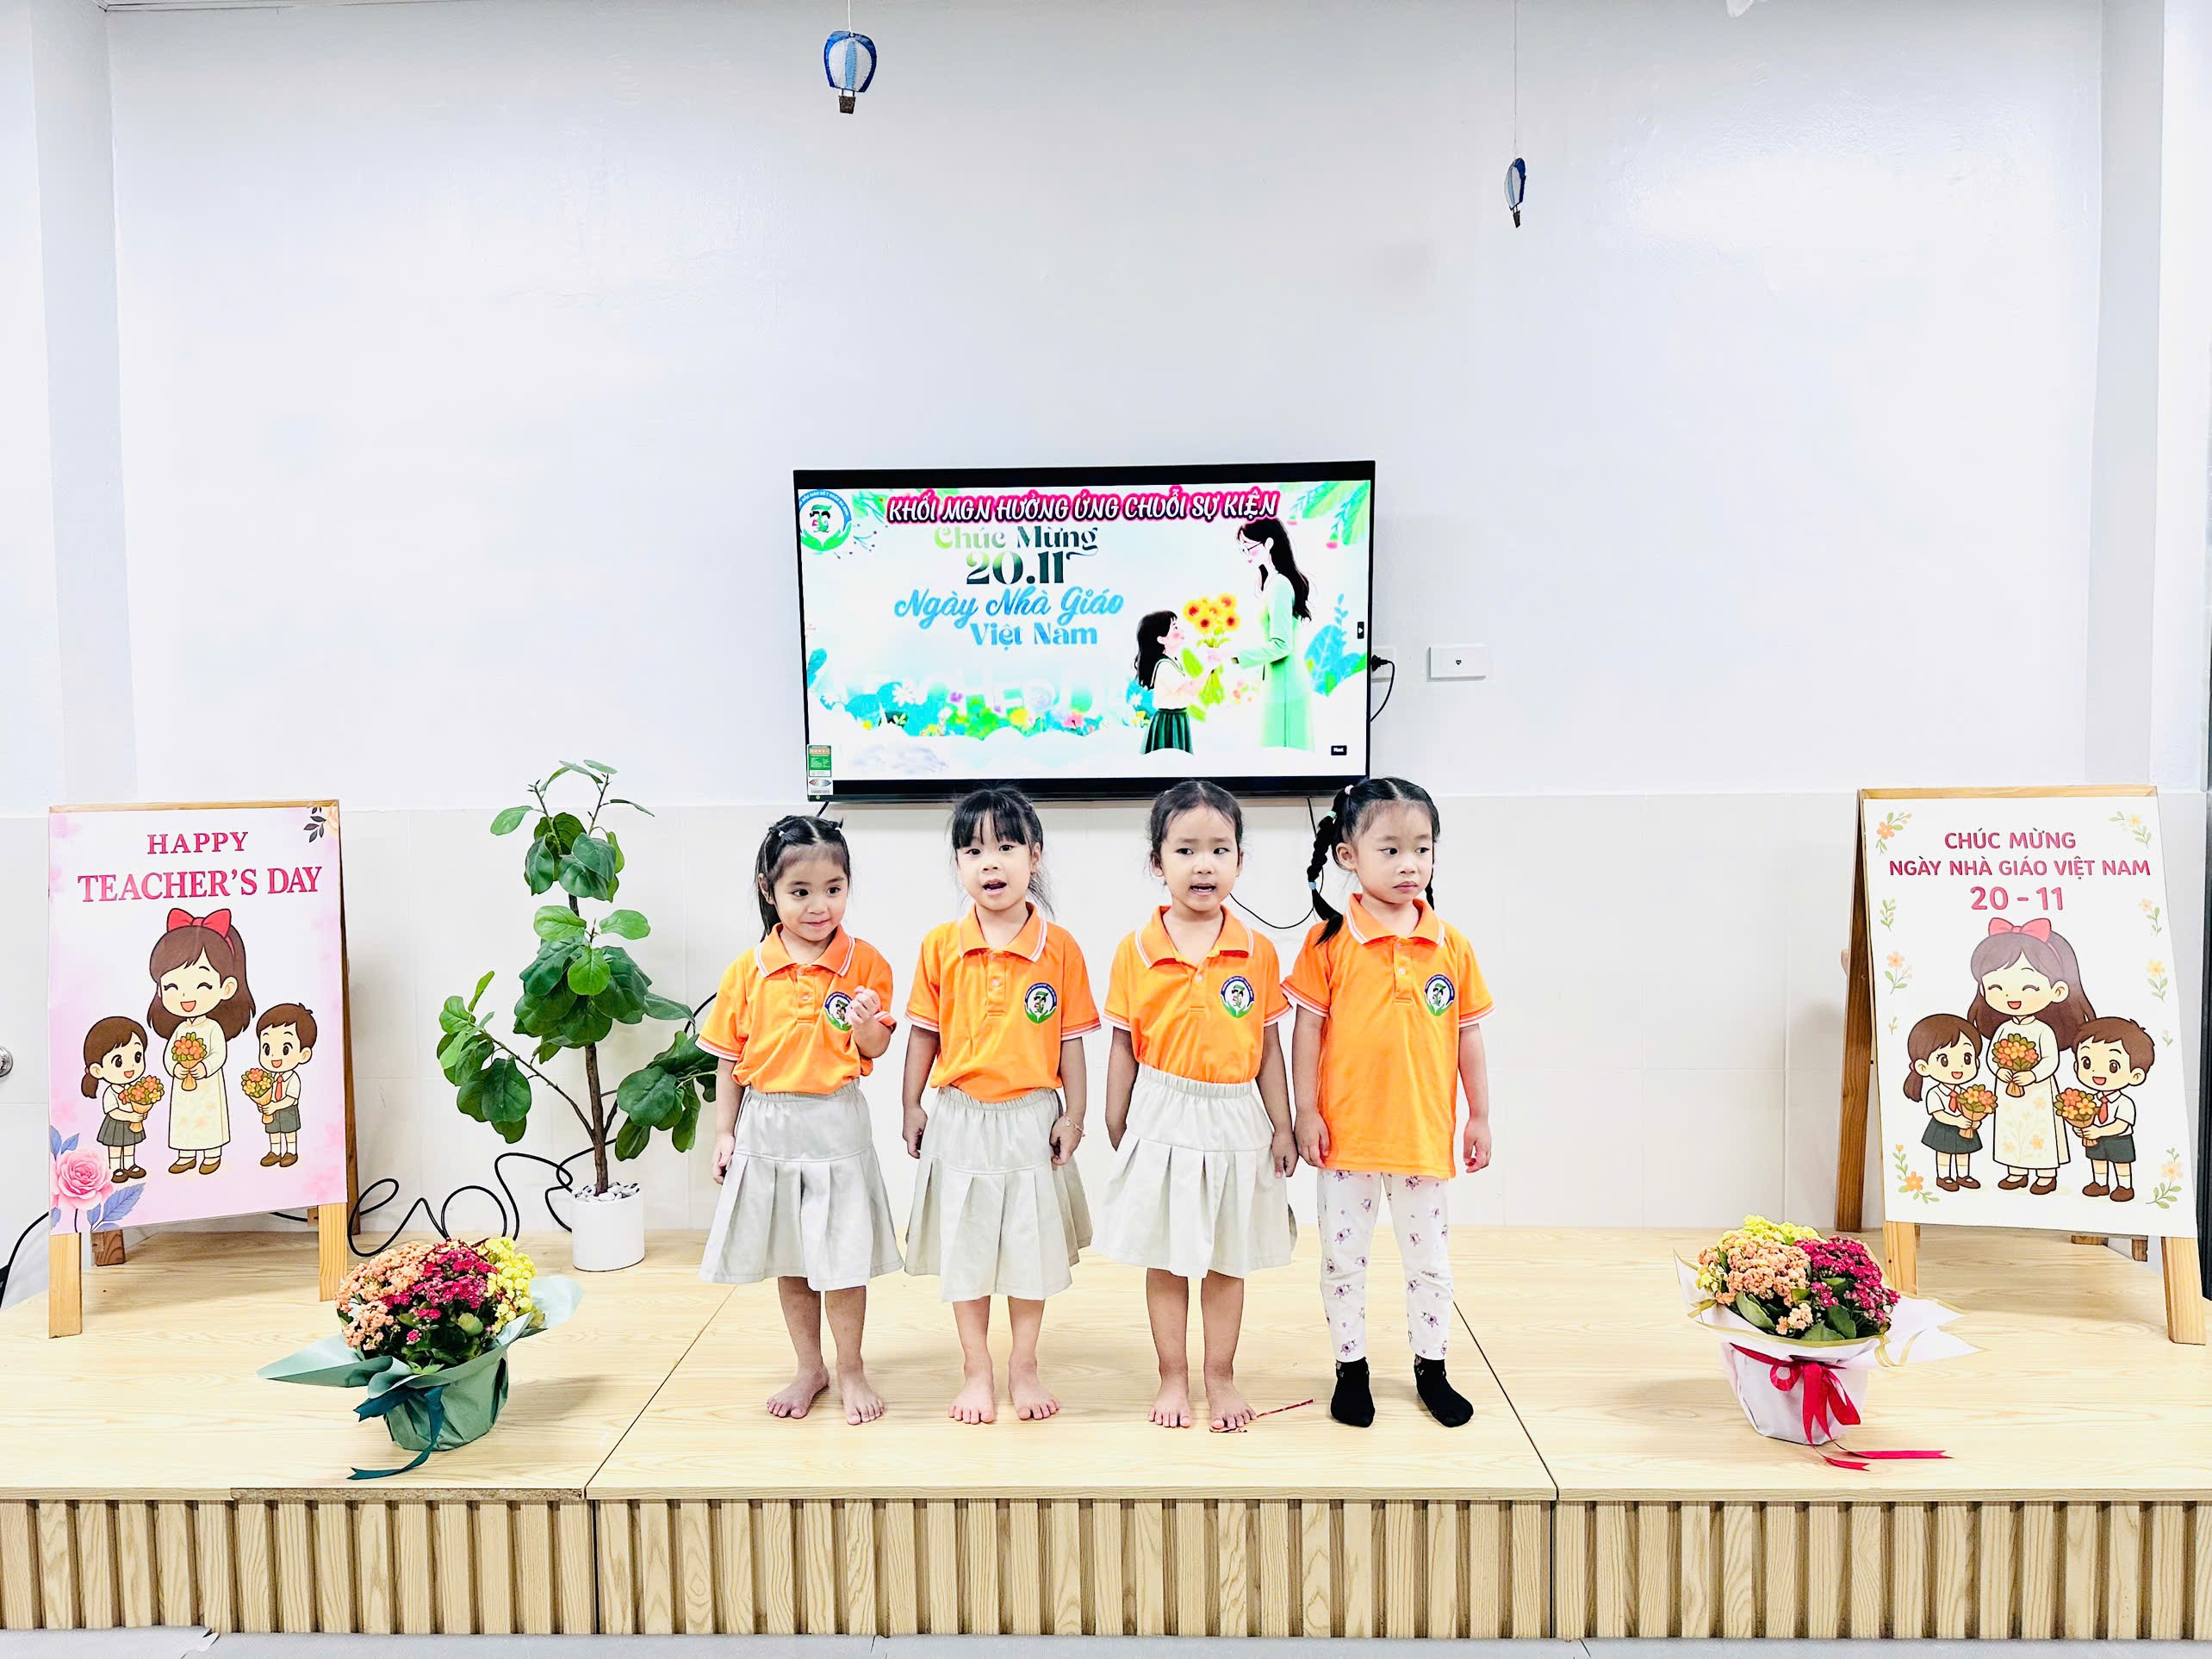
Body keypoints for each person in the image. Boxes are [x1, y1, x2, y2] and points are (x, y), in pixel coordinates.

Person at [1287, 778, 1493, 1428]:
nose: (1410, 864)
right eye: (1392, 849)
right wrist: (1305, 1111)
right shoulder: (1327, 942)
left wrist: (1480, 1115)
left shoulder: (1451, 945)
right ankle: (1351, 1370)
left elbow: (1468, 1034)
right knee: (1342, 1262)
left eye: (1422, 849)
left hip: (1421, 1136)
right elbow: (1306, 1031)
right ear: (1348, 855)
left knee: (1429, 1263)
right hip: (1345, 1136)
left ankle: (1432, 1367)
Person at [1097, 782, 1297, 1431]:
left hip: (1236, 1117)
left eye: (1219, 849)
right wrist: (1116, 1116)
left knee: (1226, 1258)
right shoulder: (1134, 950)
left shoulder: (1258, 951)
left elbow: (1269, 1048)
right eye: (1185, 850)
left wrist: (1283, 1125)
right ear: (1157, 861)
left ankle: (1220, 1376)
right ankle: (1173, 1377)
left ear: (1239, 860)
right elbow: (1123, 1044)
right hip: (1161, 1111)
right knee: (1167, 1257)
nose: (1203, 864)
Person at [698, 816, 904, 1425]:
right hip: (767, 1125)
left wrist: (865, 1022)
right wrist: (724, 1133)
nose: (820, 906)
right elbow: (729, 1060)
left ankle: (852, 1368)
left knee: (843, 1261)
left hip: (837, 1122)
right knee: (791, 1262)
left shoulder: (865, 962)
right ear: (769, 890)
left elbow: (876, 1047)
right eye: (801, 892)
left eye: (834, 889)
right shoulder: (747, 971)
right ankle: (809, 1366)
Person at [904, 786, 1097, 1425]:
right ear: (958, 865)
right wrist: (911, 1106)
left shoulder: (1060, 948)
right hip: (959, 1117)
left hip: (1032, 1119)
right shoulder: (939, 945)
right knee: (967, 1253)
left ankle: (1025, 1366)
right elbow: (923, 1035)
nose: (990, 862)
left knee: (1029, 1252)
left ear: (1034, 856)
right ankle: (976, 1369)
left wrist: (1073, 1115)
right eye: (973, 851)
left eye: (1007, 847)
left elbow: (1071, 1042)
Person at [1966, 918, 2091, 1196]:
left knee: (2040, 1130)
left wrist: (2032, 1075)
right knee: (2010, 1130)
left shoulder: (2043, 1031)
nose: (2013, 997)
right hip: (2008, 1092)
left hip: (2038, 1094)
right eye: (1997, 988)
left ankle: (2046, 1174)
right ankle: (2016, 1171)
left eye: (2029, 988)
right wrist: (2000, 1071)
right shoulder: (2003, 1029)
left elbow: (2050, 1061)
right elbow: (1992, 1057)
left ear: (2058, 991)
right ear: (1984, 990)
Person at [148, 908, 253, 1176]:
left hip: (207, 1086)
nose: (186, 997)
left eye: (202, 986)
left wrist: (204, 1067)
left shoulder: (212, 1028)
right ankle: (185, 1154)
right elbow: (169, 1055)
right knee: (183, 1119)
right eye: (172, 987)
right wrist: (176, 1067)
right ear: (160, 990)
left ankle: (212, 1154)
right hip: (183, 1086)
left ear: (226, 988)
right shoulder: (180, 1029)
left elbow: (219, 1054)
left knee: (209, 1120)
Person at [1233, 517, 1314, 749]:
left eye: (1249, 547)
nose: (1246, 555)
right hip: (1279, 683)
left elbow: (1281, 645)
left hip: (1286, 687)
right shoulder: (1271, 583)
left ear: (1269, 543)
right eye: (1242, 549)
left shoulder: (1279, 585)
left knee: (1285, 759)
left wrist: (1233, 654)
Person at [2072, 1015, 2153, 1202]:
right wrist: (2081, 1128)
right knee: (2098, 1160)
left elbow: (2121, 1125)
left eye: (2113, 1066)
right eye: (2087, 1063)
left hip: (2119, 1139)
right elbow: (2085, 1117)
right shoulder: (2090, 1101)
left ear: (2135, 1076)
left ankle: (2124, 1186)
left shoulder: (2124, 1103)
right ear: (2077, 1066)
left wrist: (2099, 1130)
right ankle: (2100, 1183)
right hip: (2096, 1138)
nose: (2097, 1072)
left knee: (2121, 1163)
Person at [1904, 1012, 1985, 1191]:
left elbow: (1971, 1109)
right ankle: (1944, 1176)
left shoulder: (1967, 1093)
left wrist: (1975, 1120)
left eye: (1966, 1058)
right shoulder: (1935, 1093)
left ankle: (1963, 1175)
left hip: (1963, 1128)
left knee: (1964, 1153)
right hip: (1944, 1128)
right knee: (1944, 1153)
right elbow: (1938, 1114)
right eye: (1944, 1060)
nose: (1958, 1067)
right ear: (1923, 1067)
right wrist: (1956, 1120)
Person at [81, 1016, 154, 1184]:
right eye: (119, 1061)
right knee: (115, 1147)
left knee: (129, 1145)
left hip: (130, 1124)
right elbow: (113, 1111)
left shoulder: (135, 1089)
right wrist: (130, 1116)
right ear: (97, 1070)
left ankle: (129, 1165)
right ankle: (115, 1168)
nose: (130, 1067)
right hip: (115, 1124)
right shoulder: (111, 1092)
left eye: (137, 1057)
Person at [252, 1003, 318, 1168]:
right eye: (267, 1048)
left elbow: (291, 1098)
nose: (275, 1057)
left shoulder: (293, 1078)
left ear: (303, 1054)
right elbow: (267, 1093)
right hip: (273, 1109)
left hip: (287, 1110)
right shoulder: (269, 1079)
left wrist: (275, 1105)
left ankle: (291, 1152)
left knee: (289, 1131)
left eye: (285, 1049)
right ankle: (275, 1152)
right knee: (273, 1131)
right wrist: (264, 1104)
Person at [1133, 611, 1202, 754]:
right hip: (1169, 722)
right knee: (1169, 760)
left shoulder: (1174, 661)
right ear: (1161, 639)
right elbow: (1191, 689)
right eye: (1174, 627)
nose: (1180, 630)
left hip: (1177, 718)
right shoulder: (1165, 666)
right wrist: (1210, 667)